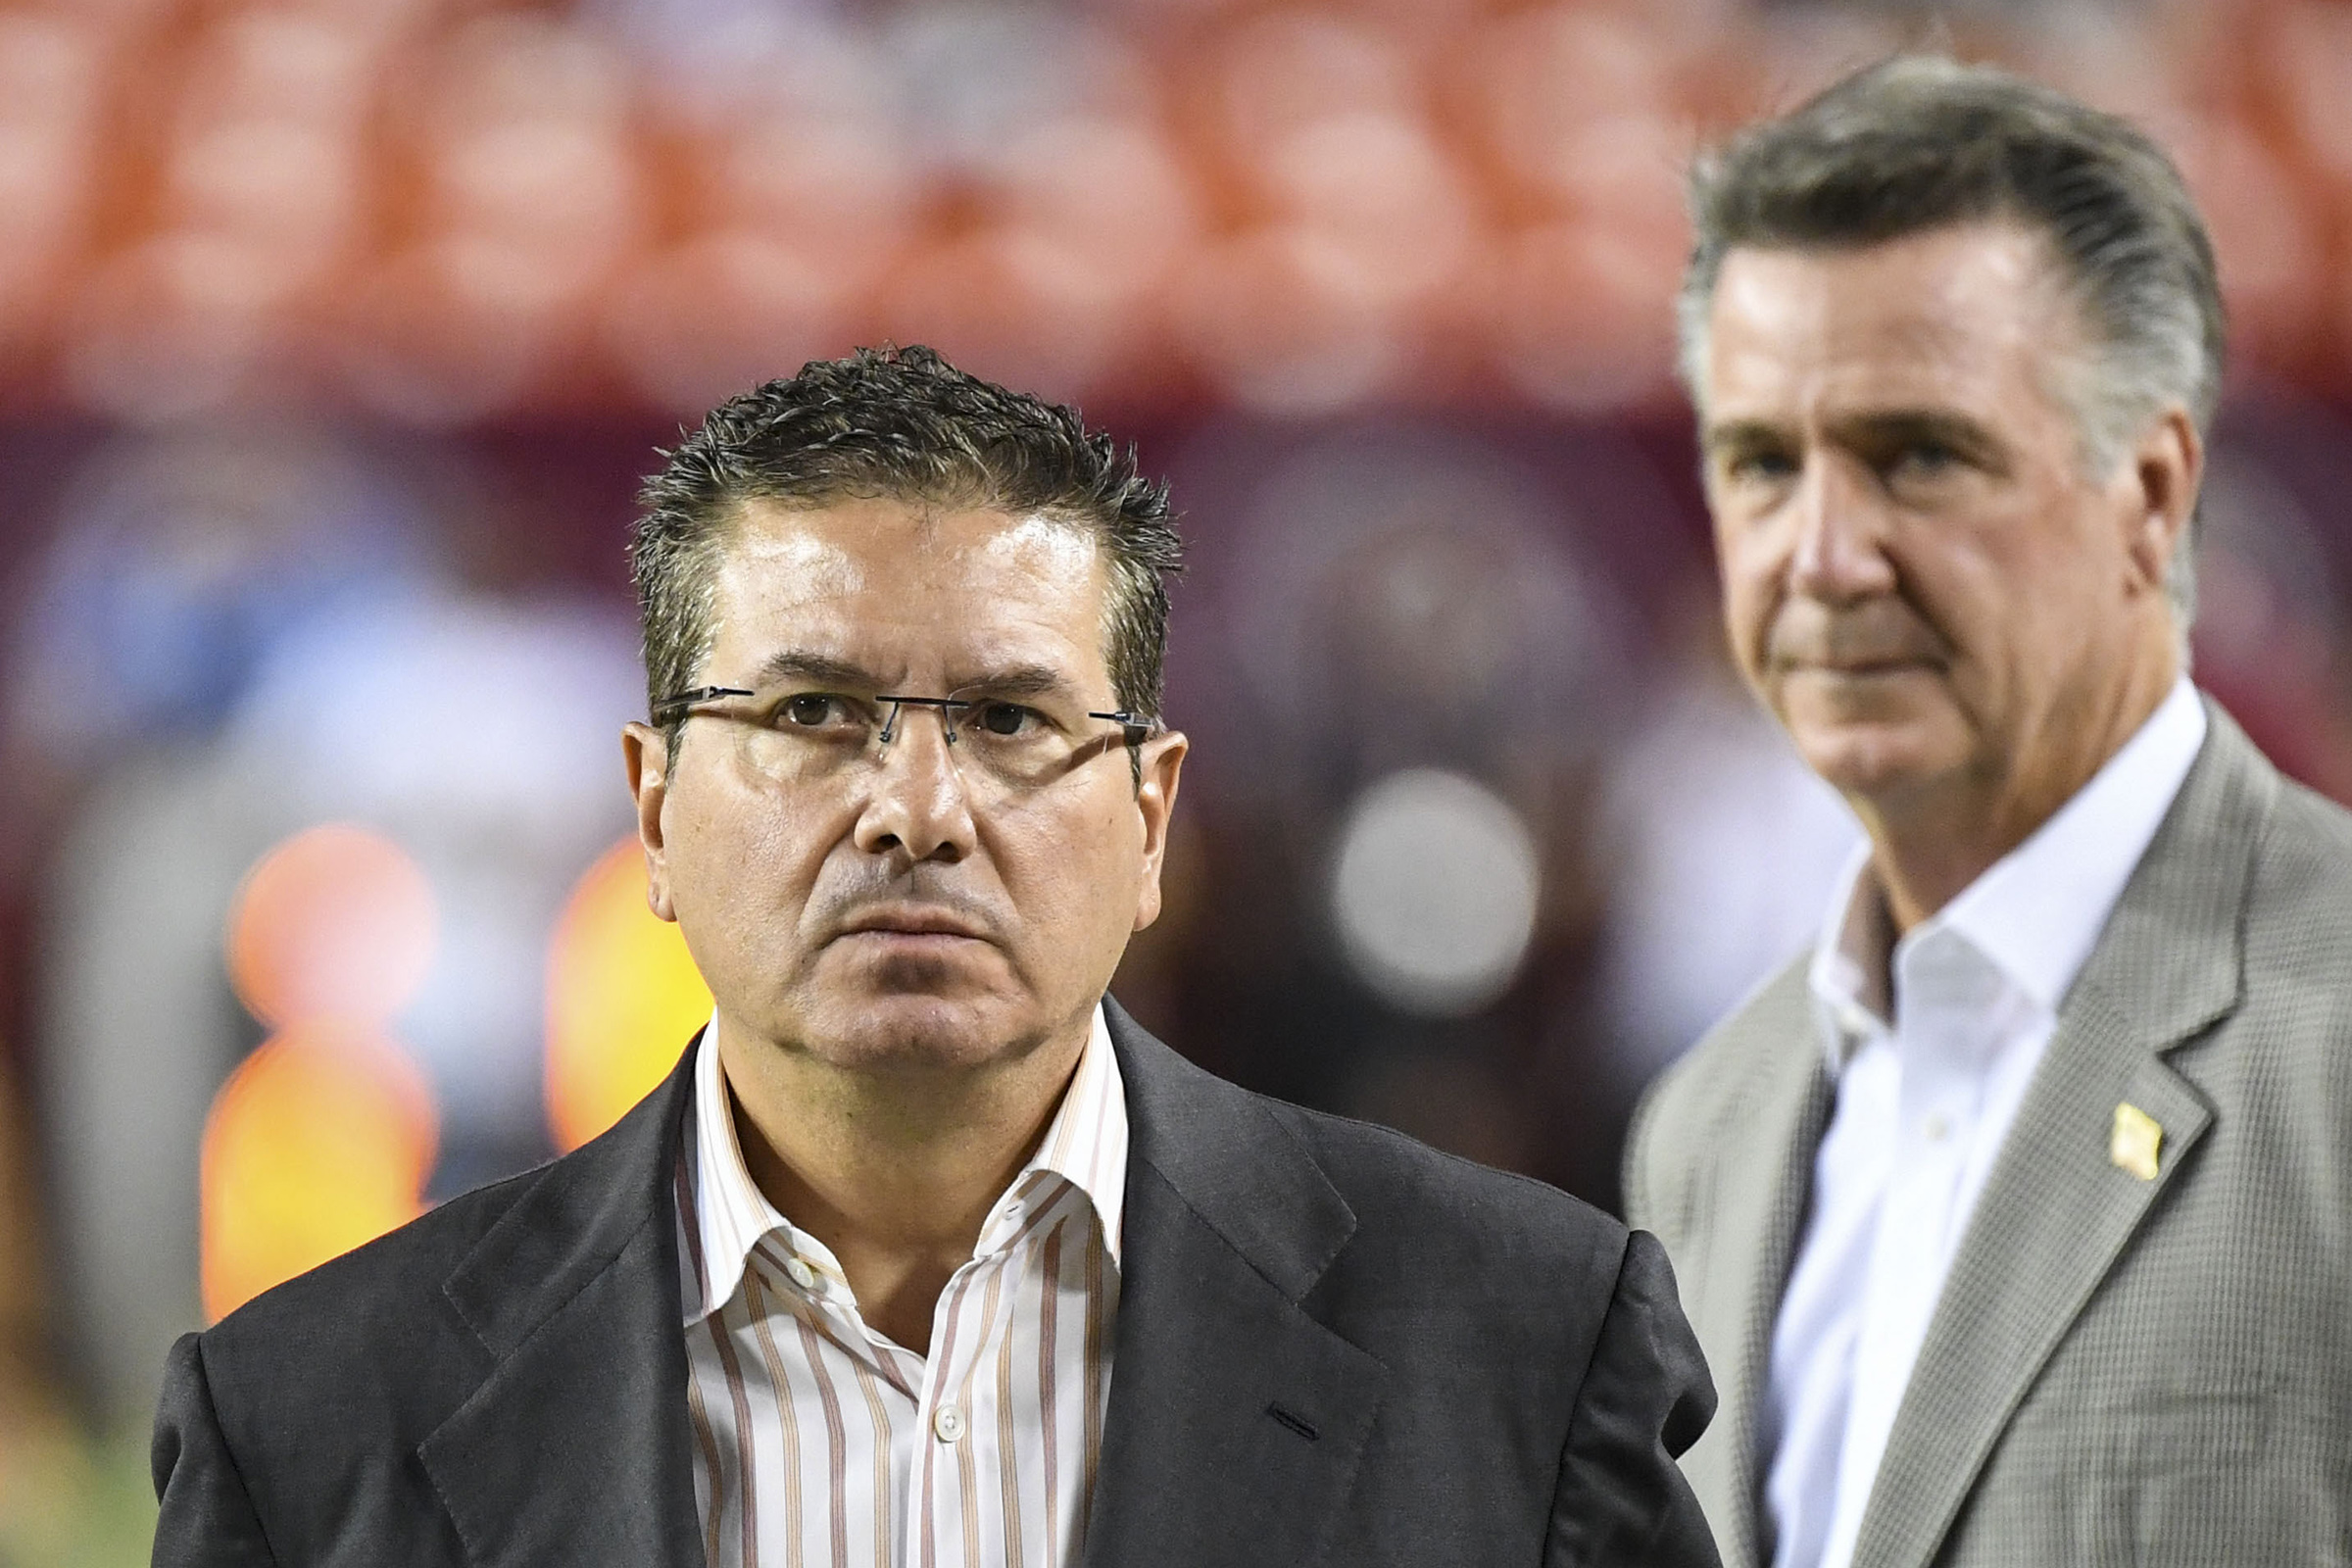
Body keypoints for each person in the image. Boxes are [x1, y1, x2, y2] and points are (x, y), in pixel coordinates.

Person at [152, 345, 1722, 1566]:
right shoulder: (308, 1419)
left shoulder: (1529, 1350)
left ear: (1154, 817)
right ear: (652, 811)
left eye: (1012, 719)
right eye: (810, 714)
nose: (914, 811)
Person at [1625, 56, 2352, 1568]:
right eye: (1762, 464)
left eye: (1919, 456)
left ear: (2149, 494)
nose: (1821, 556)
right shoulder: (1711, 1125)